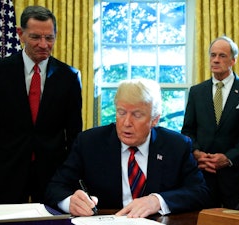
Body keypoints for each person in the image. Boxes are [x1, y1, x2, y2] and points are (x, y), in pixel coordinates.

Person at [45, 78, 212, 218]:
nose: (126, 123)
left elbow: (200, 192)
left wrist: (158, 201)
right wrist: (70, 202)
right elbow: (55, 187)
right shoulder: (90, 143)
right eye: (121, 112)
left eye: (137, 115)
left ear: (155, 119)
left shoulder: (176, 145)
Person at [0, 5, 82, 204]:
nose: (43, 44)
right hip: (6, 172)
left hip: (52, 175)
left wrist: (71, 178)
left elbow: (74, 134)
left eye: (49, 38)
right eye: (35, 37)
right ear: (20, 34)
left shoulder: (69, 76)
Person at [181, 36, 239, 209]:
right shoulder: (196, 92)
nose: (216, 60)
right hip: (202, 174)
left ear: (233, 60)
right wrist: (196, 153)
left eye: (222, 56)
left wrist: (228, 158)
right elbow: (188, 130)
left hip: (235, 177)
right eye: (213, 55)